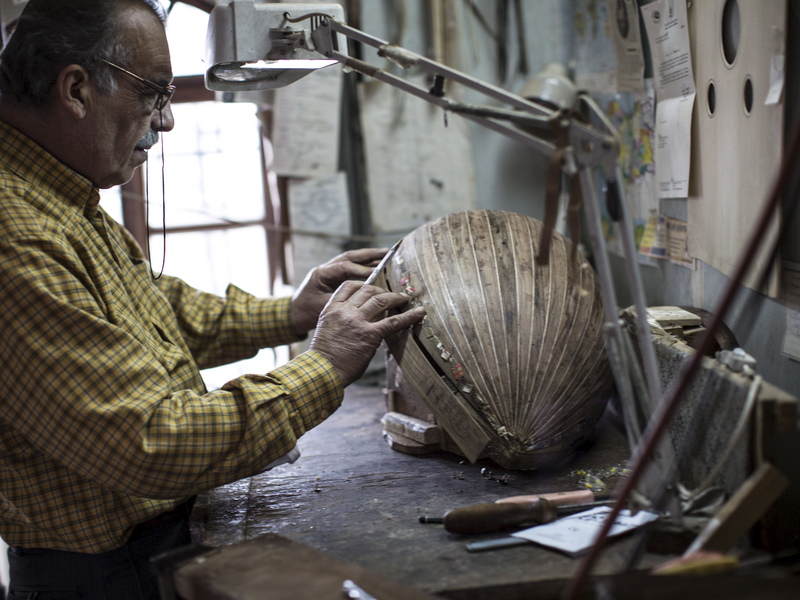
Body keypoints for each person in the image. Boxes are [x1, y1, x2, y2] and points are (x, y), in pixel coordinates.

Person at [0, 0, 425, 597]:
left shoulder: (59, 200)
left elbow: (154, 311)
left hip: (145, 547)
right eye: (154, 93)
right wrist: (325, 365)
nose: (166, 120)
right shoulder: (15, 232)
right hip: (101, 576)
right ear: (75, 90)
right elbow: (150, 442)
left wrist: (294, 313)